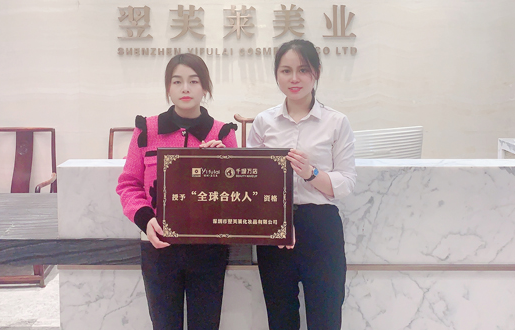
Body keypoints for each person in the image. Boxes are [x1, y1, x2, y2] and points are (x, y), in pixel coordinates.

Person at [116, 53, 238, 330]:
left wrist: (223, 164)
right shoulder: (146, 130)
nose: (185, 88)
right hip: (159, 245)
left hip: (209, 249)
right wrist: (145, 219)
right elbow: (128, 184)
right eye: (177, 81)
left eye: (194, 81)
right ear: (168, 88)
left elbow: (237, 195)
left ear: (205, 87)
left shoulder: (222, 133)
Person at [247, 39, 357, 330]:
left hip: (320, 227)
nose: (294, 78)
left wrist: (311, 173)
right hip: (274, 228)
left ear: (316, 72)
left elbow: (346, 182)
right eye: (286, 71)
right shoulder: (263, 122)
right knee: (280, 317)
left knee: (326, 317)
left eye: (303, 70)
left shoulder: (336, 122)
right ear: (277, 75)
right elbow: (252, 180)